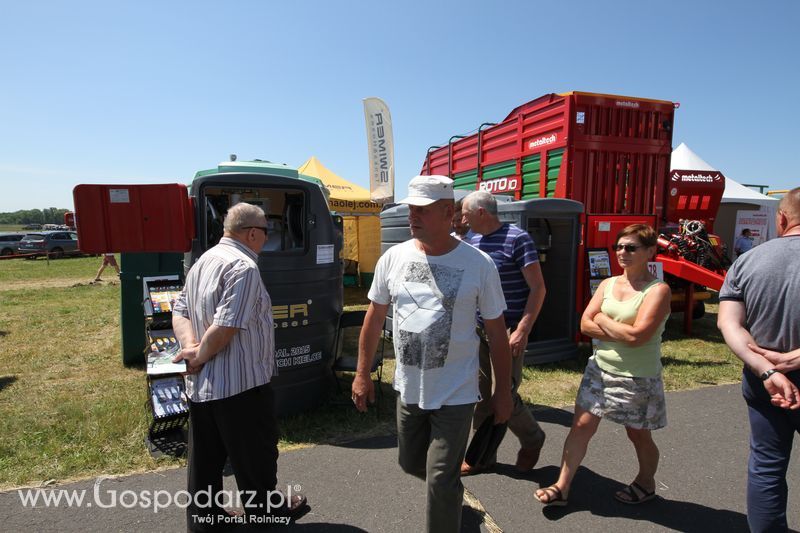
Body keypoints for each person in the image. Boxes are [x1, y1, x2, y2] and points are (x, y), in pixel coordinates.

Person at [352, 175, 513, 533]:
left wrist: (503, 392)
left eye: (421, 210)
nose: (412, 216)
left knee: (440, 479)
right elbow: (374, 318)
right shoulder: (393, 258)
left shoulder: (479, 264)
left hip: (456, 391)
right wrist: (363, 373)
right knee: (411, 463)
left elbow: (498, 335)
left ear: (447, 212)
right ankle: (451, 498)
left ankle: (446, 506)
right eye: (411, 209)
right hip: (410, 388)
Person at [171, 202, 306, 531]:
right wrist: (200, 354)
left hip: (204, 386)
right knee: (255, 460)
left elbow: (180, 311)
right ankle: (264, 517)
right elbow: (226, 327)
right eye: (266, 232)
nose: (265, 238)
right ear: (252, 233)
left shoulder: (203, 260)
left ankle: (206, 521)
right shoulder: (243, 267)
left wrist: (190, 349)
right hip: (241, 386)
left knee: (205, 462)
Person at [535, 224, 671, 507]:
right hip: (599, 369)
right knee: (581, 426)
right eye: (618, 247)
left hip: (637, 376)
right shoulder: (608, 284)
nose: (623, 252)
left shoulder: (658, 290)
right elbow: (585, 323)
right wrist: (617, 327)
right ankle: (562, 486)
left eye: (631, 247)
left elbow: (637, 337)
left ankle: (646, 483)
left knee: (637, 434)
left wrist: (604, 321)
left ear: (649, 252)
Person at [717, 187, 800, 533]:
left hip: (765, 381)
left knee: (767, 466)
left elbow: (728, 322)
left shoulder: (748, 260)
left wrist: (766, 367)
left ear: (781, 218)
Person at [459, 190, 547, 475]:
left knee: (503, 394)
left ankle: (533, 438)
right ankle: (483, 456)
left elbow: (538, 288)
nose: (462, 218)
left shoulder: (517, 239)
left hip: (508, 329)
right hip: (477, 328)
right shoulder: (471, 239)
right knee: (480, 396)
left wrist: (523, 329)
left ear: (481, 212)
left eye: (465, 213)